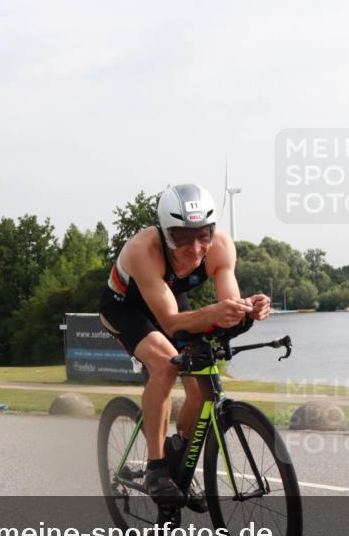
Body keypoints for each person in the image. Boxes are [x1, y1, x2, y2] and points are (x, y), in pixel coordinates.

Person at [99, 184, 271, 509]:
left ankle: (180, 452)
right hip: (126, 308)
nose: (195, 248)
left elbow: (227, 305)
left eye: (203, 234)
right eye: (181, 237)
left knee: (205, 389)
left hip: (171, 303)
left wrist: (248, 310)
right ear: (165, 234)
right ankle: (156, 467)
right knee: (166, 364)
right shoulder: (142, 250)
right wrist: (215, 314)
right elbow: (171, 323)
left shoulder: (221, 247)